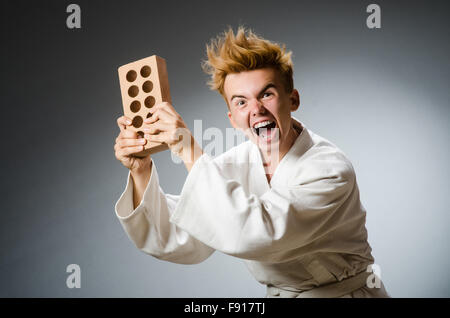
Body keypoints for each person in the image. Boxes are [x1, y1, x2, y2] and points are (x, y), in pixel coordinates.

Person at [113, 27, 390, 298]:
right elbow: (176, 236)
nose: (256, 110)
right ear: (232, 119)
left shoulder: (329, 168)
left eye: (266, 94)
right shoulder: (233, 165)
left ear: (292, 100)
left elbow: (260, 233)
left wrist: (187, 148)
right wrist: (140, 170)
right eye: (241, 102)